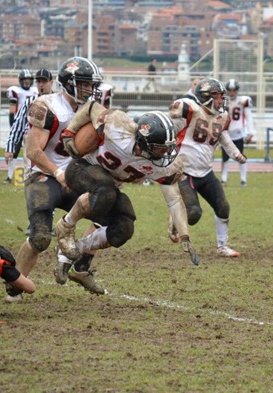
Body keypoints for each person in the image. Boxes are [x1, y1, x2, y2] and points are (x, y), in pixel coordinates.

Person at [54, 102, 199, 267]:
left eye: (168, 148)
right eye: (160, 149)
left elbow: (174, 200)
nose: (166, 154)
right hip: (81, 169)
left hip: (109, 187)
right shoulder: (118, 127)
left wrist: (184, 235)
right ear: (144, 142)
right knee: (105, 190)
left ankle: (78, 247)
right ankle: (65, 226)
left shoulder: (163, 165)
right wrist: (70, 131)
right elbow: (91, 107)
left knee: (124, 227)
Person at [15, 57, 106, 295]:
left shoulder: (92, 110)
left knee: (109, 208)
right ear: (69, 83)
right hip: (43, 175)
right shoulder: (47, 105)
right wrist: (57, 171)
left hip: (73, 175)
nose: (90, 89)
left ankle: (77, 264)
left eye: (91, 84)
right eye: (85, 84)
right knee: (40, 238)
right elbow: (33, 151)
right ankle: (15, 280)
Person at [167, 78, 247, 257]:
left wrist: (235, 154)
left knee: (223, 207)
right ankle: (173, 221)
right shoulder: (190, 109)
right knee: (194, 214)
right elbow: (172, 117)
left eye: (221, 96)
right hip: (184, 172)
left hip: (205, 171)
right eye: (216, 96)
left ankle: (222, 246)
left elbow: (223, 137)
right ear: (204, 97)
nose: (220, 100)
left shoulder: (222, 117)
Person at [4, 68, 53, 181]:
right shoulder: (29, 101)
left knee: (51, 175)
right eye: (39, 82)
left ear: (51, 82)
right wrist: (10, 147)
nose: (41, 85)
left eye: (44, 81)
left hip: (52, 142)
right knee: (31, 177)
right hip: (32, 141)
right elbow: (18, 125)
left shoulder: (59, 100)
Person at [4, 69, 38, 184]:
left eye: (29, 80)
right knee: (14, 151)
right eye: (25, 80)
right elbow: (12, 110)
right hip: (20, 124)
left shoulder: (36, 91)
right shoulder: (15, 91)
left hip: (33, 126)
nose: (27, 82)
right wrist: (12, 127)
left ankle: (31, 175)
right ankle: (9, 176)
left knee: (32, 153)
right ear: (20, 80)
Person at [221, 79, 254, 187]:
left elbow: (249, 117)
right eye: (230, 90)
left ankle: (243, 179)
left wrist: (250, 133)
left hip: (238, 133)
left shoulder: (244, 100)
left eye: (234, 90)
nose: (232, 92)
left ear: (237, 90)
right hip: (225, 133)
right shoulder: (223, 100)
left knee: (241, 157)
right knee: (225, 158)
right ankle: (224, 179)